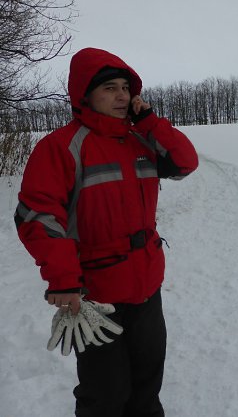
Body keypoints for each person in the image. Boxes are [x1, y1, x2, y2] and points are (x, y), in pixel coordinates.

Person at [14, 47, 199, 416]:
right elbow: (38, 217)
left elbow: (184, 162)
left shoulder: (140, 140)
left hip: (146, 286)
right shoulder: (61, 147)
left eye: (126, 88)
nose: (122, 96)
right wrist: (64, 280)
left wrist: (149, 121)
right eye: (110, 88)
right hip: (97, 295)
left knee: (147, 384)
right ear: (86, 95)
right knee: (106, 394)